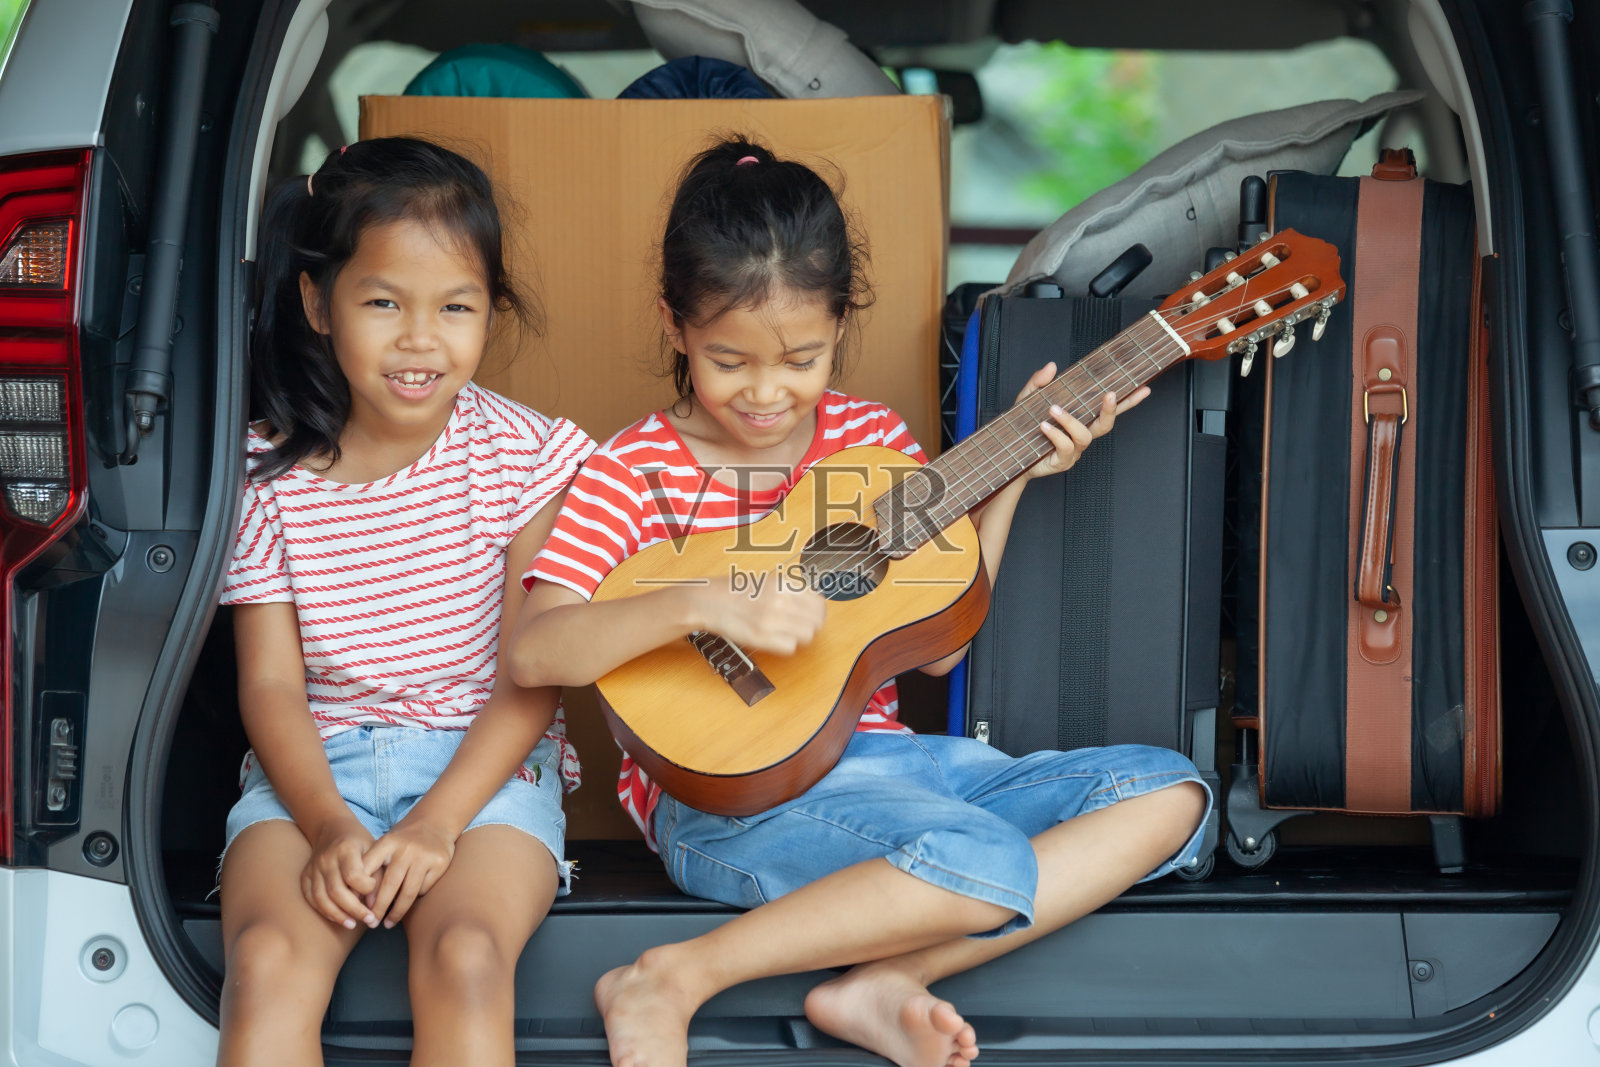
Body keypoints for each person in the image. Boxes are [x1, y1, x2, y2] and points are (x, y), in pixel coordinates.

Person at [510, 138, 1210, 1067]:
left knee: (1173, 795)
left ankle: (886, 979)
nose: (765, 393)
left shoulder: (867, 441)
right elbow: (535, 652)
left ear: (842, 324)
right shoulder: (631, 470)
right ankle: (675, 975)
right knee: (988, 861)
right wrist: (709, 600)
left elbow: (935, 651)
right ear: (676, 327)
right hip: (729, 802)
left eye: (800, 357)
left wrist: (1015, 474)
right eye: (729, 360)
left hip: (898, 772)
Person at [216, 137, 594, 1067]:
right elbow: (270, 686)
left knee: (465, 958)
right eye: (383, 302)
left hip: (489, 775)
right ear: (318, 303)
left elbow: (532, 669)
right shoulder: (265, 476)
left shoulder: (530, 458)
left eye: (456, 307)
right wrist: (328, 824)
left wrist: (436, 822)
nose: (421, 338)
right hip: (315, 770)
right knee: (265, 961)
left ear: (490, 312)